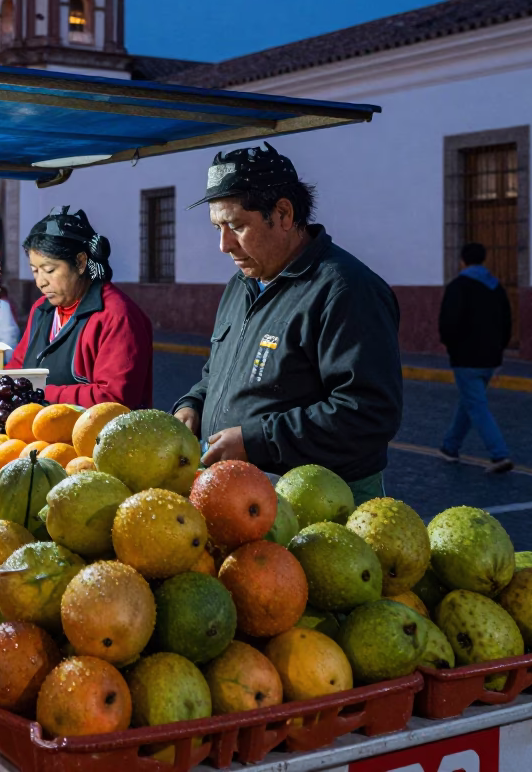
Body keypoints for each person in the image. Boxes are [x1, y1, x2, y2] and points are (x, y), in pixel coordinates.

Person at [172, 143, 402, 505]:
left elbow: (368, 413)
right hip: (239, 490)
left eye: (236, 226)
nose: (223, 245)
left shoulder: (345, 290)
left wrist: (256, 439)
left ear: (282, 213)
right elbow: (217, 373)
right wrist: (193, 405)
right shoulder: (242, 284)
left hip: (319, 502)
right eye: (217, 227)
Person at [8, 207, 153, 408]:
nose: (40, 282)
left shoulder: (117, 316)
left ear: (80, 262)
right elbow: (17, 368)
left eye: (49, 270)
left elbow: (114, 398)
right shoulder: (42, 309)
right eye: (35, 271)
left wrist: (38, 393)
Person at [438, 243, 514, 473]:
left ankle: (499, 454)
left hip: (466, 358)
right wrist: (500, 349)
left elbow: (448, 323)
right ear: (484, 259)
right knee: (471, 401)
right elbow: (507, 322)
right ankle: (450, 447)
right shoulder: (496, 287)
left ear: (462, 261)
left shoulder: (458, 287)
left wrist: (451, 347)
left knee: (476, 405)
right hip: (491, 358)